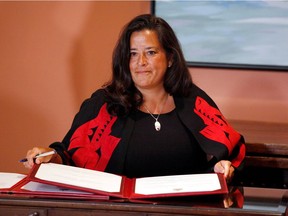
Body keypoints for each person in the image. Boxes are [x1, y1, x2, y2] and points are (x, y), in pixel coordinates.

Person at [23, 14, 246, 182]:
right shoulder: (103, 103)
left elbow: (229, 152)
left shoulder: (194, 101)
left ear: (169, 58)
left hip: (184, 210)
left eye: (150, 52)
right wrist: (49, 156)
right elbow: (70, 156)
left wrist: (222, 168)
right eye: (133, 54)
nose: (141, 62)